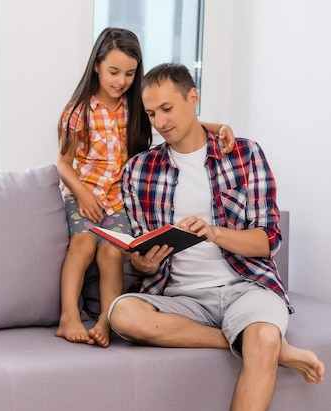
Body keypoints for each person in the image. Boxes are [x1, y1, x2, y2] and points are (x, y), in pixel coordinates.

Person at [107, 62, 325, 411]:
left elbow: (268, 240)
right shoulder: (139, 170)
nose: (160, 122)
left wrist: (215, 233)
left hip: (246, 286)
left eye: (167, 108)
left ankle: (261, 341)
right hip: (181, 296)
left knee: (264, 336)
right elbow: (138, 247)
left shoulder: (244, 154)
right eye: (151, 114)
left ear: (193, 98)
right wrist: (141, 262)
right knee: (123, 314)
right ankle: (249, 342)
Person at [55, 27, 235, 348]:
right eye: (113, 72)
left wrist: (219, 127)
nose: (120, 80)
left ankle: (105, 319)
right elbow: (63, 163)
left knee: (112, 252)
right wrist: (81, 193)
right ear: (96, 66)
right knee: (82, 246)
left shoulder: (135, 106)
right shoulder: (78, 111)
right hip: (84, 196)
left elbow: (174, 119)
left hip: (117, 200)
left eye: (129, 73)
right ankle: (69, 316)